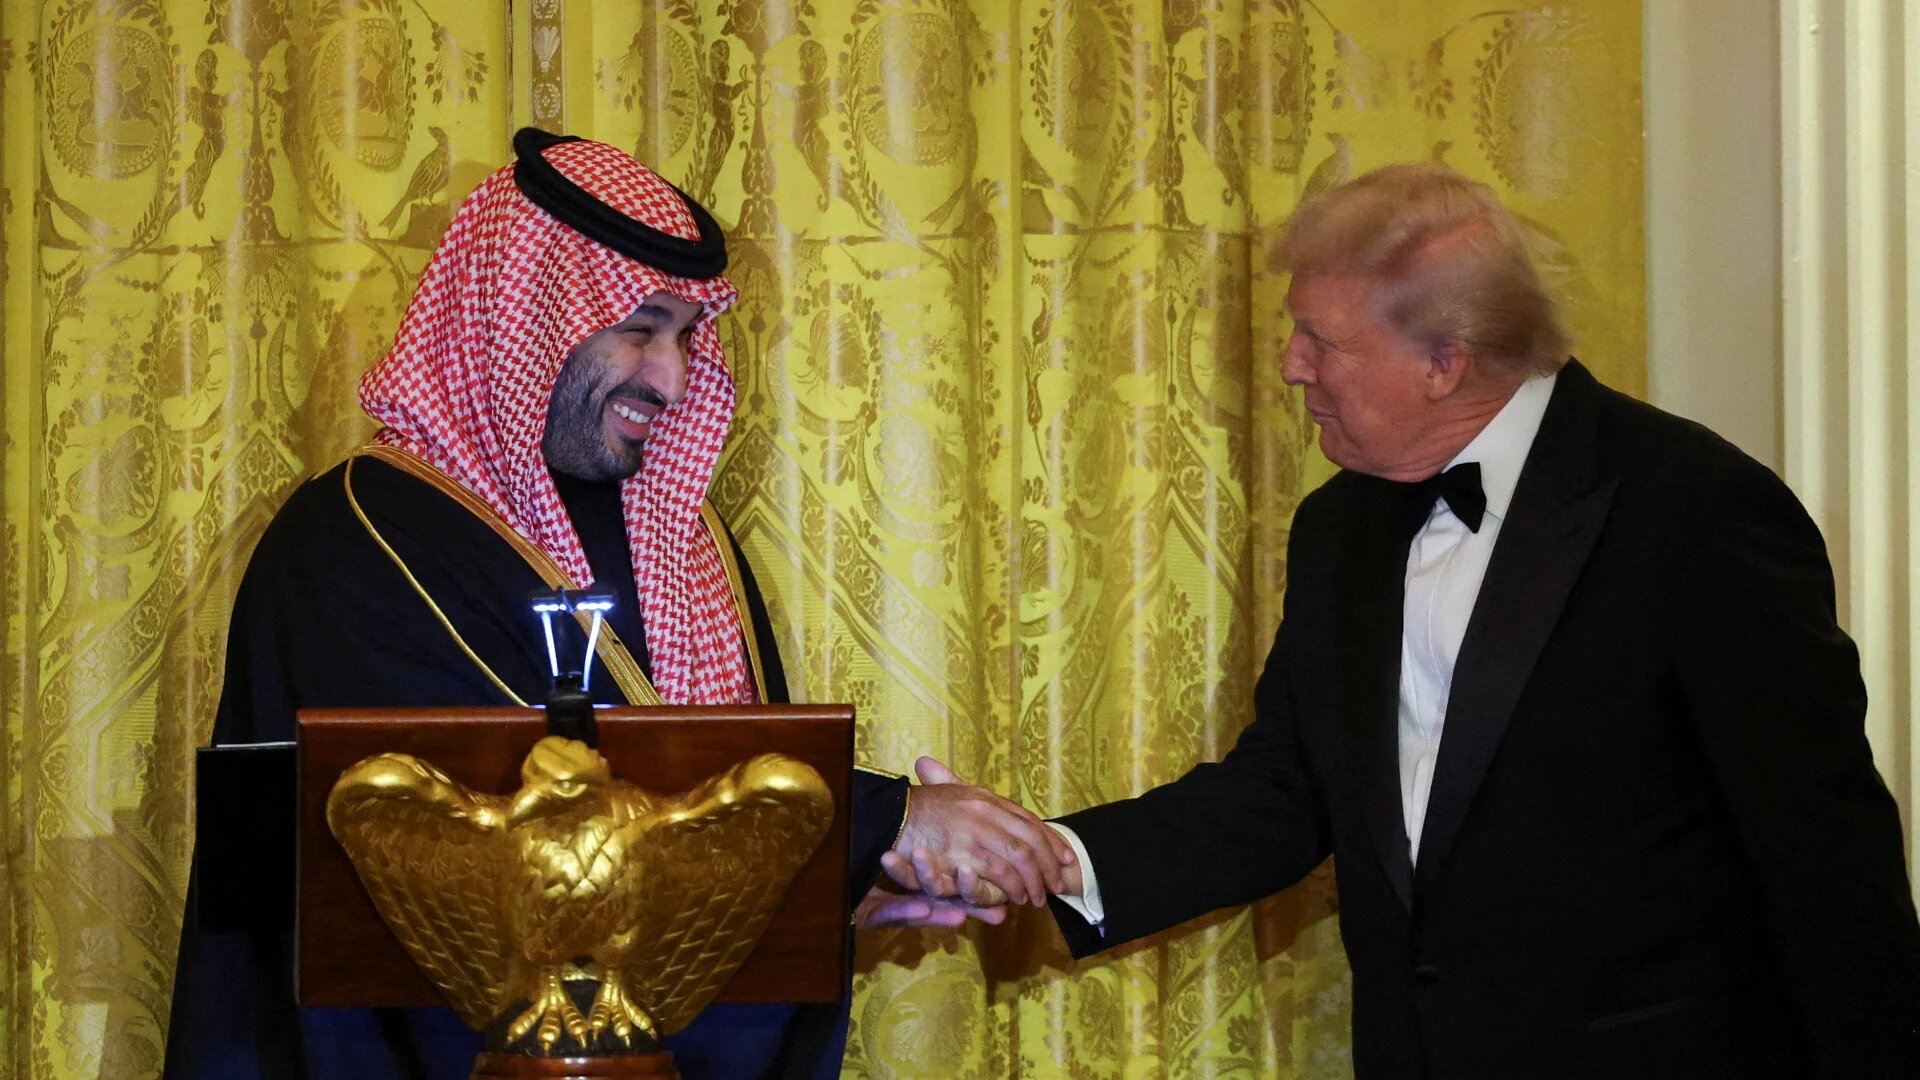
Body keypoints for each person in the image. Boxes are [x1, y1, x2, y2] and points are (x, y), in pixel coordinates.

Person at [165, 129, 1067, 1079]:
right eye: (640, 326)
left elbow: (686, 813)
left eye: (686, 335)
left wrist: (824, 891)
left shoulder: (685, 541)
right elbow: (505, 826)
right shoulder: (356, 542)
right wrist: (884, 824)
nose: (671, 379)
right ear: (528, 314)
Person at [1011, 164, 1919, 1077]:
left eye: (1320, 340)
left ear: (1445, 360)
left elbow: (1822, 849)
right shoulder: (1340, 526)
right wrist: (1056, 859)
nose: (1291, 366)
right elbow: (1287, 790)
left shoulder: (1695, 510)